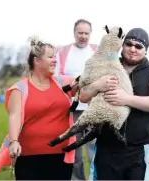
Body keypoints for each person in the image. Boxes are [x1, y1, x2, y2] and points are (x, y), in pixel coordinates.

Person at [77, 28, 149, 180]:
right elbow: (83, 96)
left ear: (146, 51)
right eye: (129, 44)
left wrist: (126, 99)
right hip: (107, 148)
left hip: (139, 150)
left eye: (138, 46)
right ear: (122, 46)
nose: (132, 49)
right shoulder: (106, 67)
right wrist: (97, 85)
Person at [0, 37, 80, 180]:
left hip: (61, 156)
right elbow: (15, 116)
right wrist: (14, 141)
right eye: (50, 57)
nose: (55, 60)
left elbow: (87, 89)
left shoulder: (64, 82)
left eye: (55, 56)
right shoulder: (19, 89)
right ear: (37, 61)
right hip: (28, 158)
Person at [54, 19, 97, 180]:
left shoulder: (97, 51)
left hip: (94, 110)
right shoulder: (62, 52)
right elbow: (56, 78)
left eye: (86, 33)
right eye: (80, 33)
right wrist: (76, 80)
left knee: (95, 150)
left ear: (90, 34)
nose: (83, 36)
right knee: (75, 153)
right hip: (72, 111)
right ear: (74, 33)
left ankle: (96, 177)